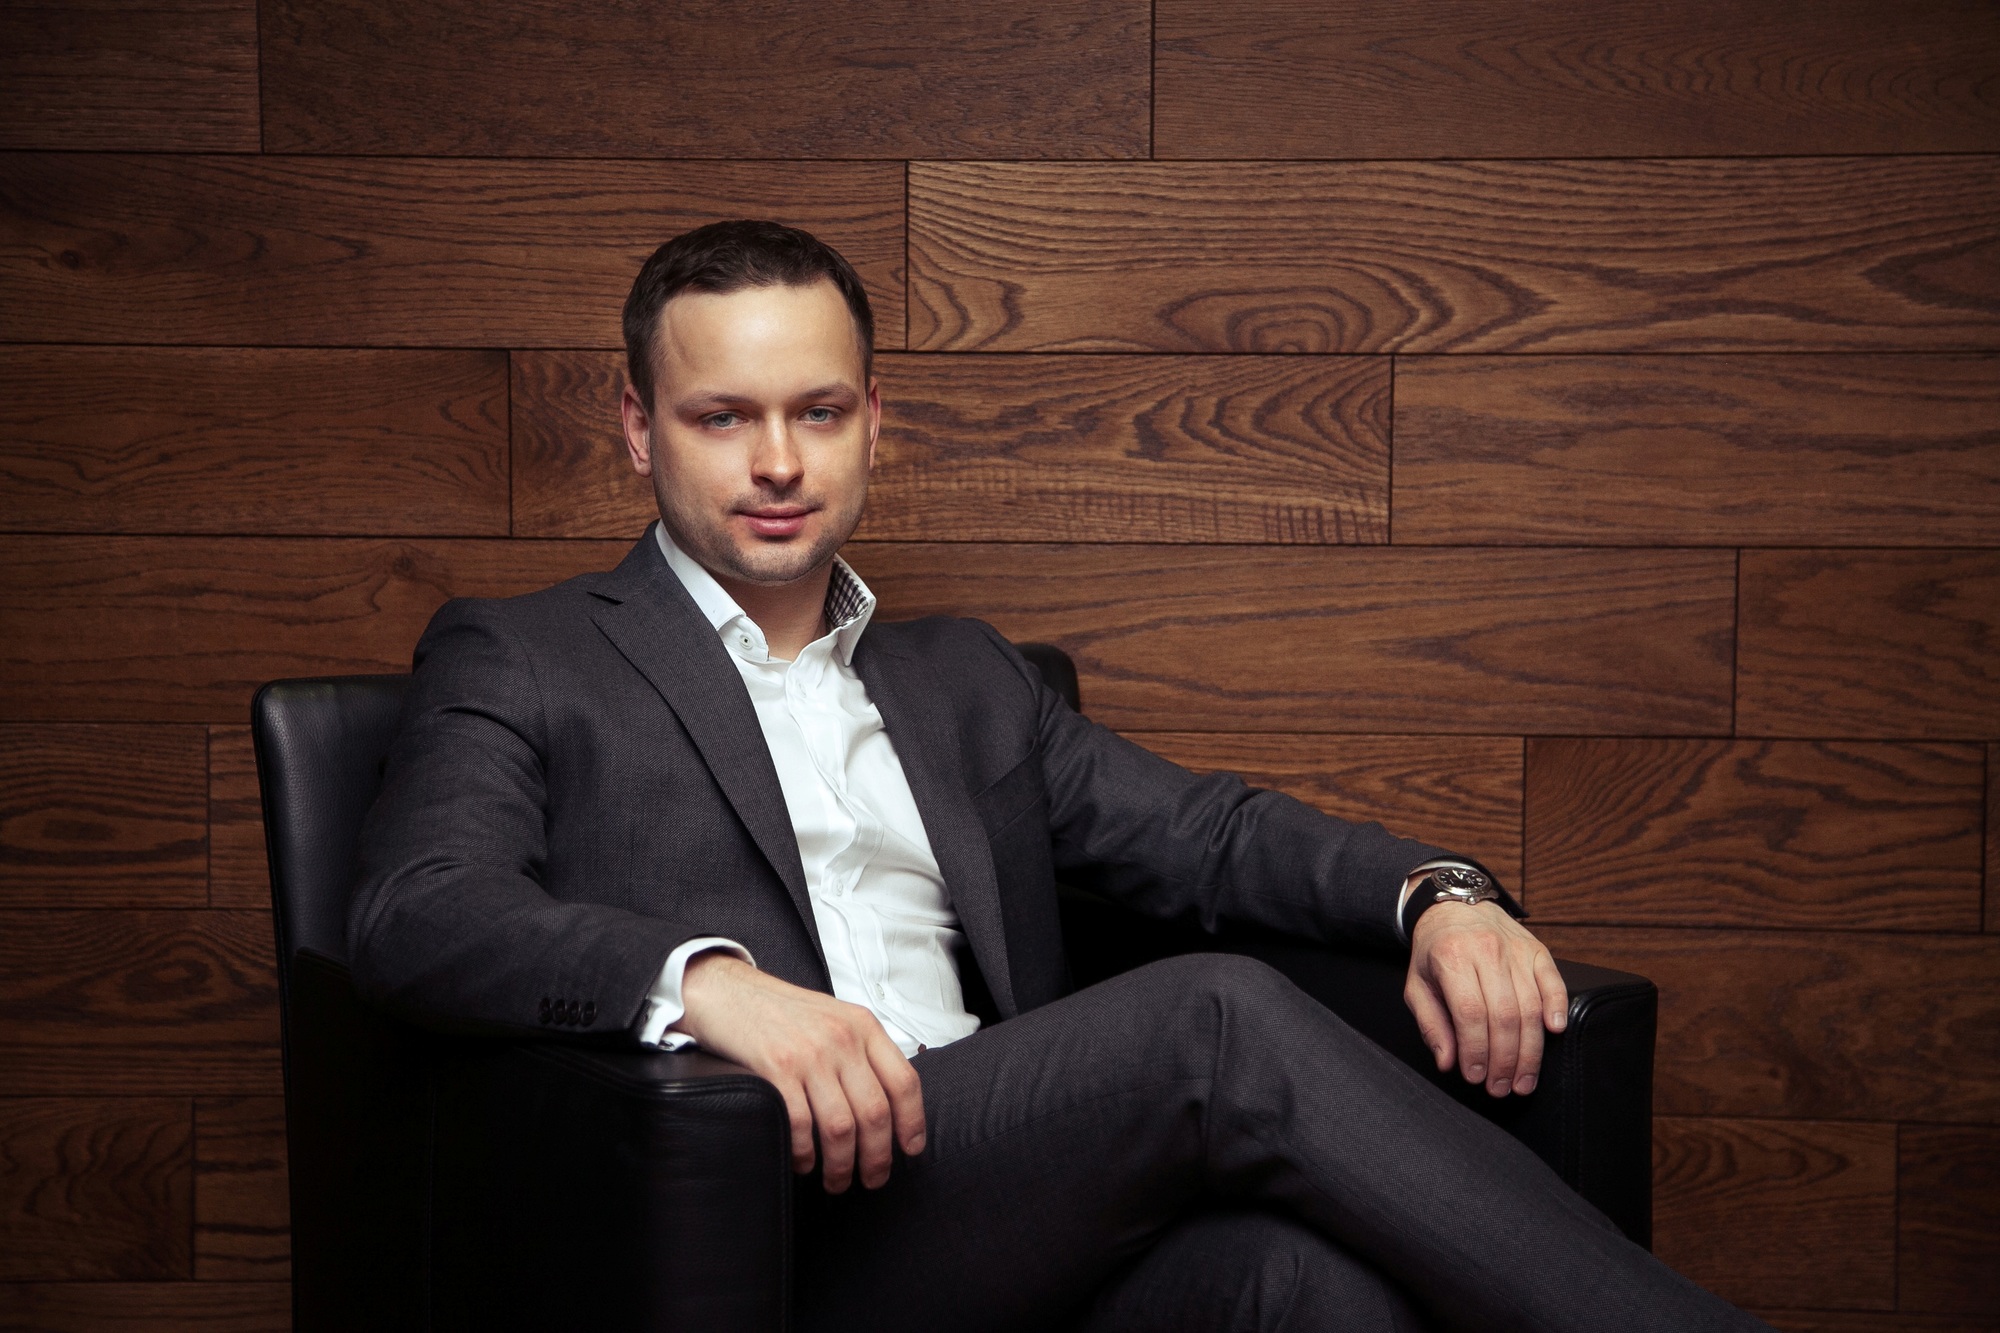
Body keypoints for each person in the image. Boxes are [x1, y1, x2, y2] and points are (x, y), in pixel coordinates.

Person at [350, 220, 1769, 1333]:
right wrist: (708, 984)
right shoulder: (526, 653)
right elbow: (420, 908)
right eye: (722, 417)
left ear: (873, 419)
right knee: (1213, 1020)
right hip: (762, 1222)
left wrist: (1438, 893)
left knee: (1305, 1286)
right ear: (636, 426)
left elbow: (1208, 835)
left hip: (1003, 1203)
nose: (778, 461)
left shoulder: (965, 678)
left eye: (819, 411)